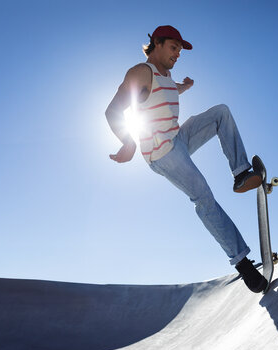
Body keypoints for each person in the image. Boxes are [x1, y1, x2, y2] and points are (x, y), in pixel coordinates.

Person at [105, 25, 267, 293]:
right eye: (173, 47)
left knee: (220, 113)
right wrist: (128, 140)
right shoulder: (140, 72)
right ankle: (243, 264)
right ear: (156, 43)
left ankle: (241, 173)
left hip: (177, 139)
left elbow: (167, 89)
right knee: (203, 197)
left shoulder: (165, 74)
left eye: (180, 50)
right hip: (162, 152)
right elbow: (113, 110)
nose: (178, 54)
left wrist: (185, 87)